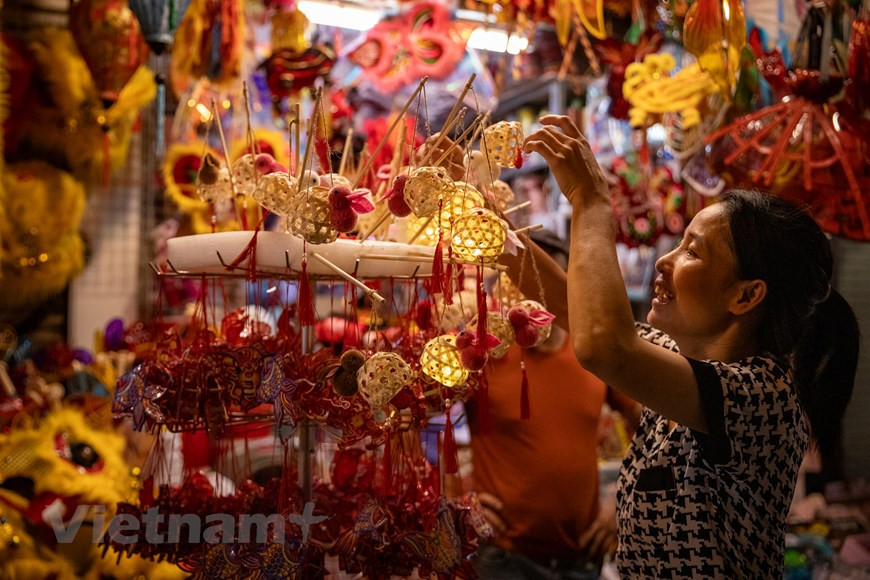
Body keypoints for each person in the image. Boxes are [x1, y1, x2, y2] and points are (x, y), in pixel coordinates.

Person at [515, 115, 860, 577]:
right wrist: (486, 226)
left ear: (746, 296)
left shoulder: (764, 396)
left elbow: (603, 346)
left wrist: (592, 200)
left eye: (692, 252)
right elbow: (571, 306)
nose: (665, 260)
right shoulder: (681, 360)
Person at [469, 230, 639, 580]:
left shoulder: (592, 354)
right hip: (504, 558)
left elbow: (652, 428)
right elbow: (418, 421)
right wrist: (455, 502)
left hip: (581, 558)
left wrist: (622, 502)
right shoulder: (485, 354)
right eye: (525, 285)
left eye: (548, 284)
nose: (535, 299)